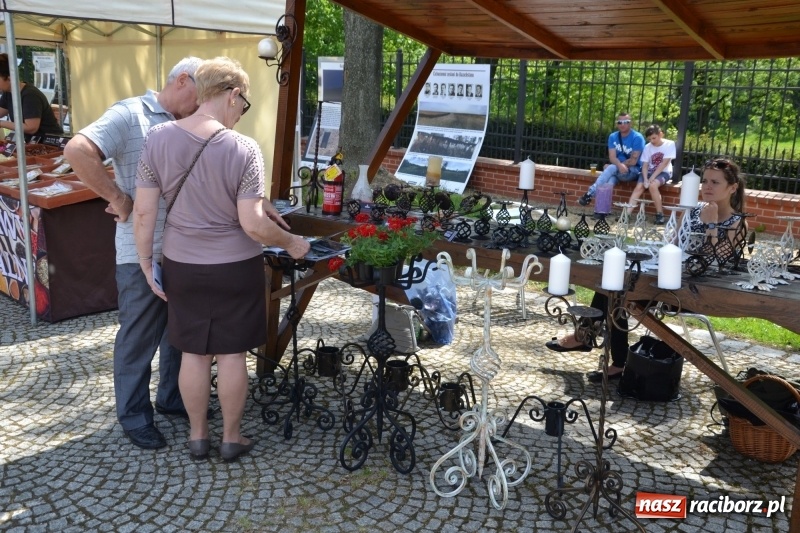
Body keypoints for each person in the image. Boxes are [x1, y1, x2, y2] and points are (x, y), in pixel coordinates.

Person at [133, 56, 311, 463]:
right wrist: (292, 242)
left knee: (194, 353)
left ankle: (197, 437)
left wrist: (146, 263)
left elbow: (144, 213)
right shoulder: (244, 148)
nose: (241, 113)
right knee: (232, 354)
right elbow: (253, 224)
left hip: (182, 264)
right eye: (242, 104)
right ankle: (231, 437)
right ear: (232, 95)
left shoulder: (157, 138)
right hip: (235, 267)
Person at [64, 57, 203, 450]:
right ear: (181, 81)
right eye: (200, 92)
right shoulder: (131, 113)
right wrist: (117, 197)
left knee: (179, 332)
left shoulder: (189, 122)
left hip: (184, 250)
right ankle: (134, 415)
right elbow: (78, 149)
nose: (202, 102)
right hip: (138, 252)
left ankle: (172, 397)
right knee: (139, 336)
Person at [548, 157, 747, 383]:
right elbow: (672, 247)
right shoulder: (692, 211)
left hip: (698, 292)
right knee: (614, 284)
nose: (707, 187)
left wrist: (712, 225)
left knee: (619, 293)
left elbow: (716, 262)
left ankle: (589, 339)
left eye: (715, 182)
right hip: (669, 281)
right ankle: (605, 351)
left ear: (732, 188)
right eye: (705, 181)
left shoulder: (737, 222)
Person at [578, 112, 645, 208]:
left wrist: (616, 166)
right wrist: (618, 165)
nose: (622, 124)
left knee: (610, 168)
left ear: (630, 123)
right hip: (617, 170)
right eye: (619, 122)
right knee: (609, 182)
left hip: (632, 170)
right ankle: (602, 211)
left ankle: (589, 193)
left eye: (625, 122)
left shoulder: (637, 138)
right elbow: (612, 157)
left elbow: (633, 161)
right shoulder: (613, 136)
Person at [0, 53, 63, 141]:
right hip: (32, 143)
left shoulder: (30, 95)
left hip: (50, 143)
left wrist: (1, 123)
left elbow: (31, 128)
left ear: (9, 78)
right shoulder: (8, 93)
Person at [625, 124, 676, 224]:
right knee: (639, 187)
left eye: (654, 138)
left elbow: (664, 163)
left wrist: (652, 178)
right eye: (649, 139)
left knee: (653, 185)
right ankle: (626, 215)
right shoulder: (648, 147)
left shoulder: (669, 144)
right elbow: (645, 165)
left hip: (663, 172)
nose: (652, 141)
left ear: (660, 134)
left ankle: (659, 214)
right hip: (647, 172)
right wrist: (645, 179)